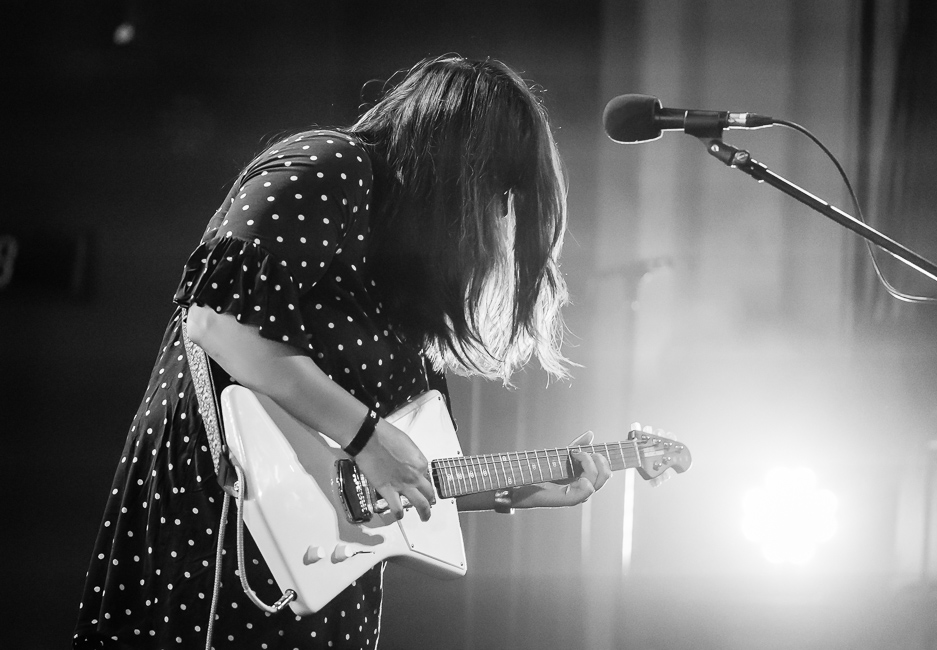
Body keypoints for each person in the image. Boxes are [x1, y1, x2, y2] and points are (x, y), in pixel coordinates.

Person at [74, 54, 611, 650]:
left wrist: (532, 487)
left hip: (320, 569)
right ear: (460, 167)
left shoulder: (408, 272)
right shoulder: (333, 165)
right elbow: (212, 321)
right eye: (497, 189)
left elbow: (407, 471)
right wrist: (365, 437)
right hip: (227, 525)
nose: (498, 215)